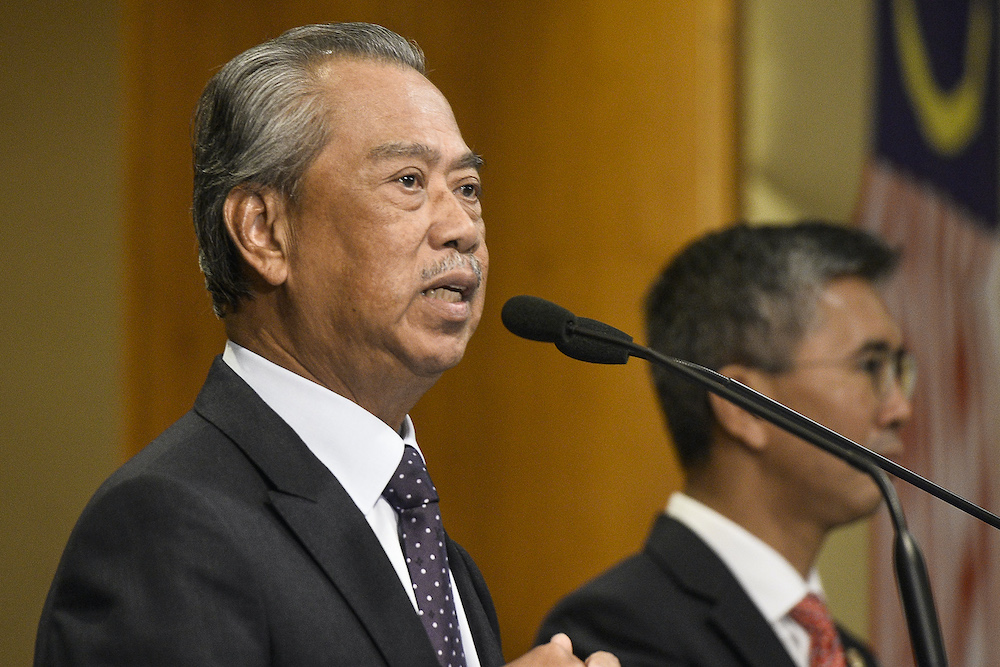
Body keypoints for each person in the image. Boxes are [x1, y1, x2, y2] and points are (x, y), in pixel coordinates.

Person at [35, 22, 617, 667]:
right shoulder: (165, 527)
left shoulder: (437, 551)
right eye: (408, 181)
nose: (460, 227)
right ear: (265, 232)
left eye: (468, 188)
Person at [538, 221, 914, 666]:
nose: (899, 409)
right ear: (745, 406)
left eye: (899, 368)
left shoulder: (850, 653)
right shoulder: (619, 630)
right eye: (870, 366)